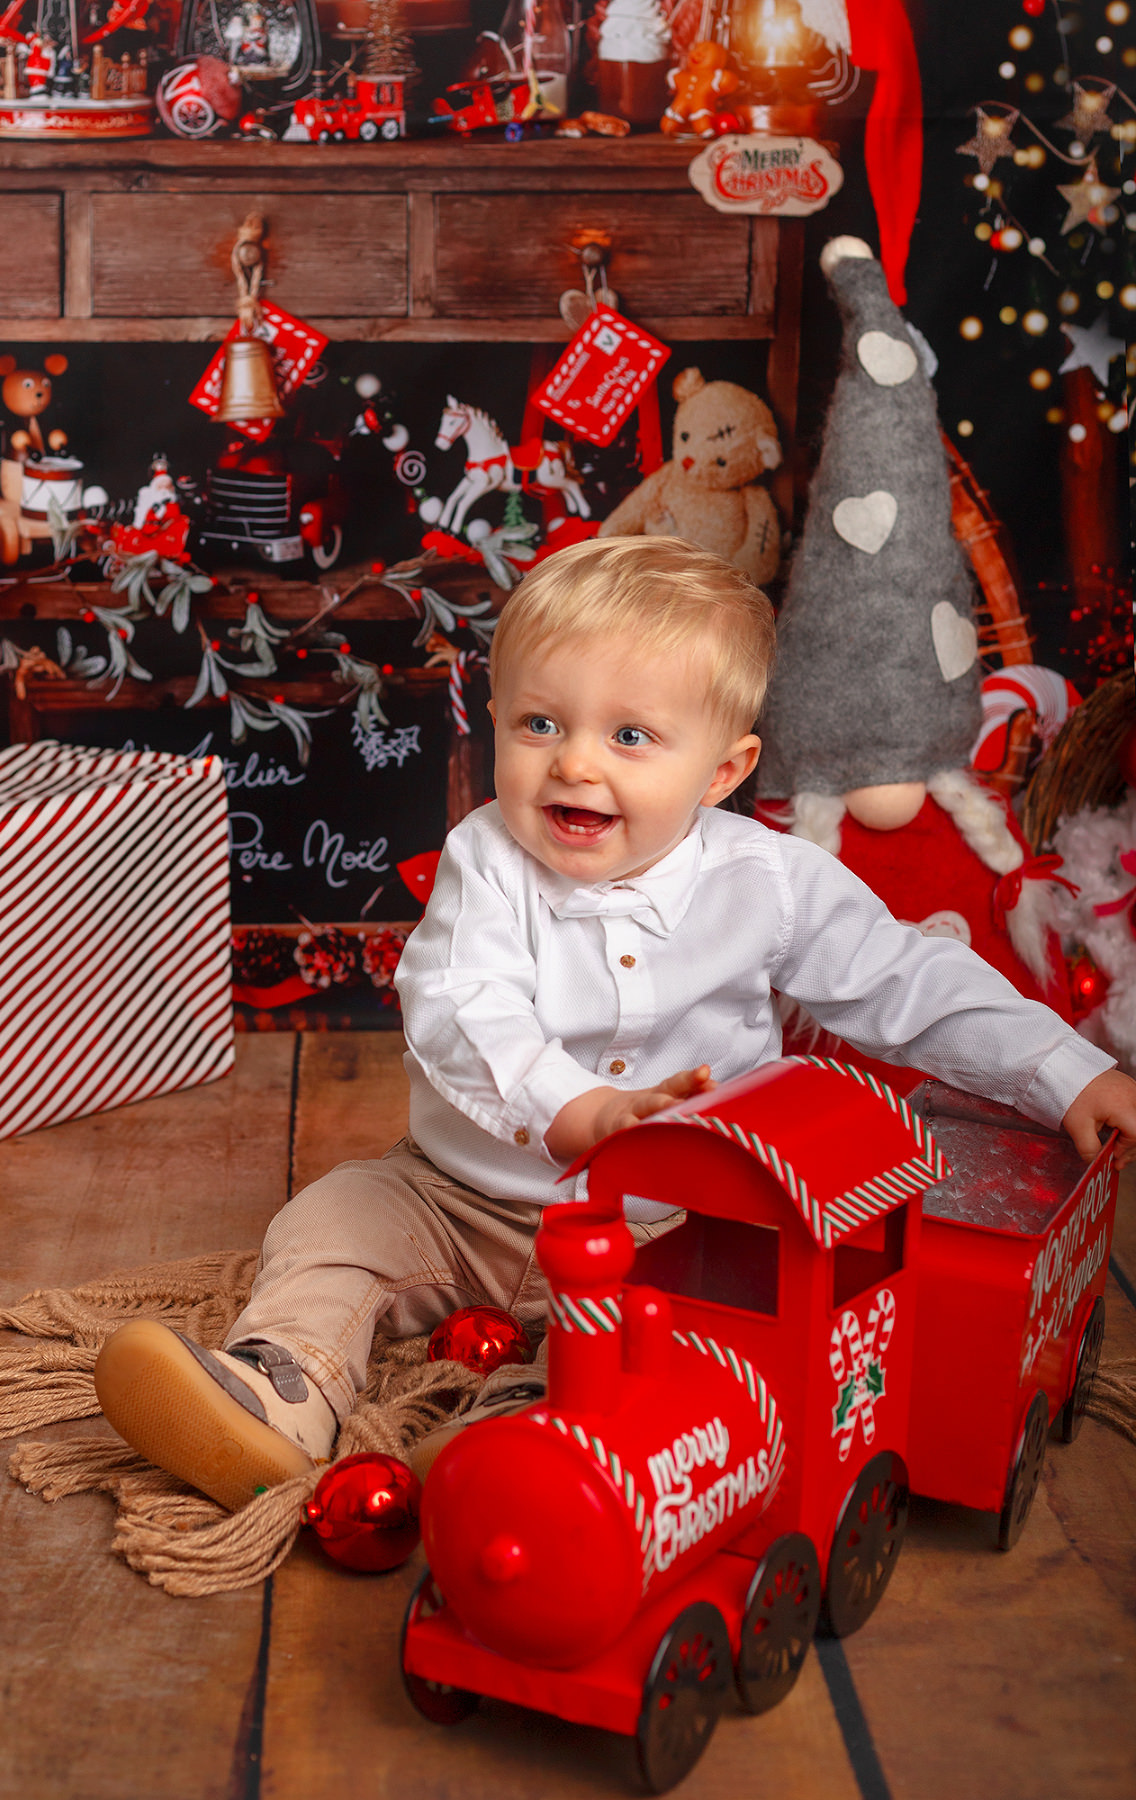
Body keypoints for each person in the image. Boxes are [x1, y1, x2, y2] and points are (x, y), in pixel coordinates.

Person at [93, 536, 1136, 1511]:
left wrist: (1066, 1069)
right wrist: (575, 1107)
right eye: (540, 725)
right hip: (458, 1197)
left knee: (682, 1336)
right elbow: (462, 1003)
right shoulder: (487, 858)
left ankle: (527, 1434)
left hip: (671, 1237)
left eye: (630, 736)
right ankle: (279, 1389)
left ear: (722, 772)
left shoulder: (766, 882)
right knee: (329, 1224)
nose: (576, 764)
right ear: (495, 719)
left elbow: (907, 981)